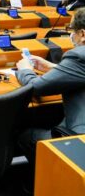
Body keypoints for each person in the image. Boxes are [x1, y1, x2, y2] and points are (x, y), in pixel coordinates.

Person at [16, 8, 85, 164]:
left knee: (26, 136)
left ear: (82, 34)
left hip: (80, 140)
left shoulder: (79, 56)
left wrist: (25, 70)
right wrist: (53, 67)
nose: (70, 35)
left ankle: (51, 178)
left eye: (71, 30)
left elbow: (36, 87)